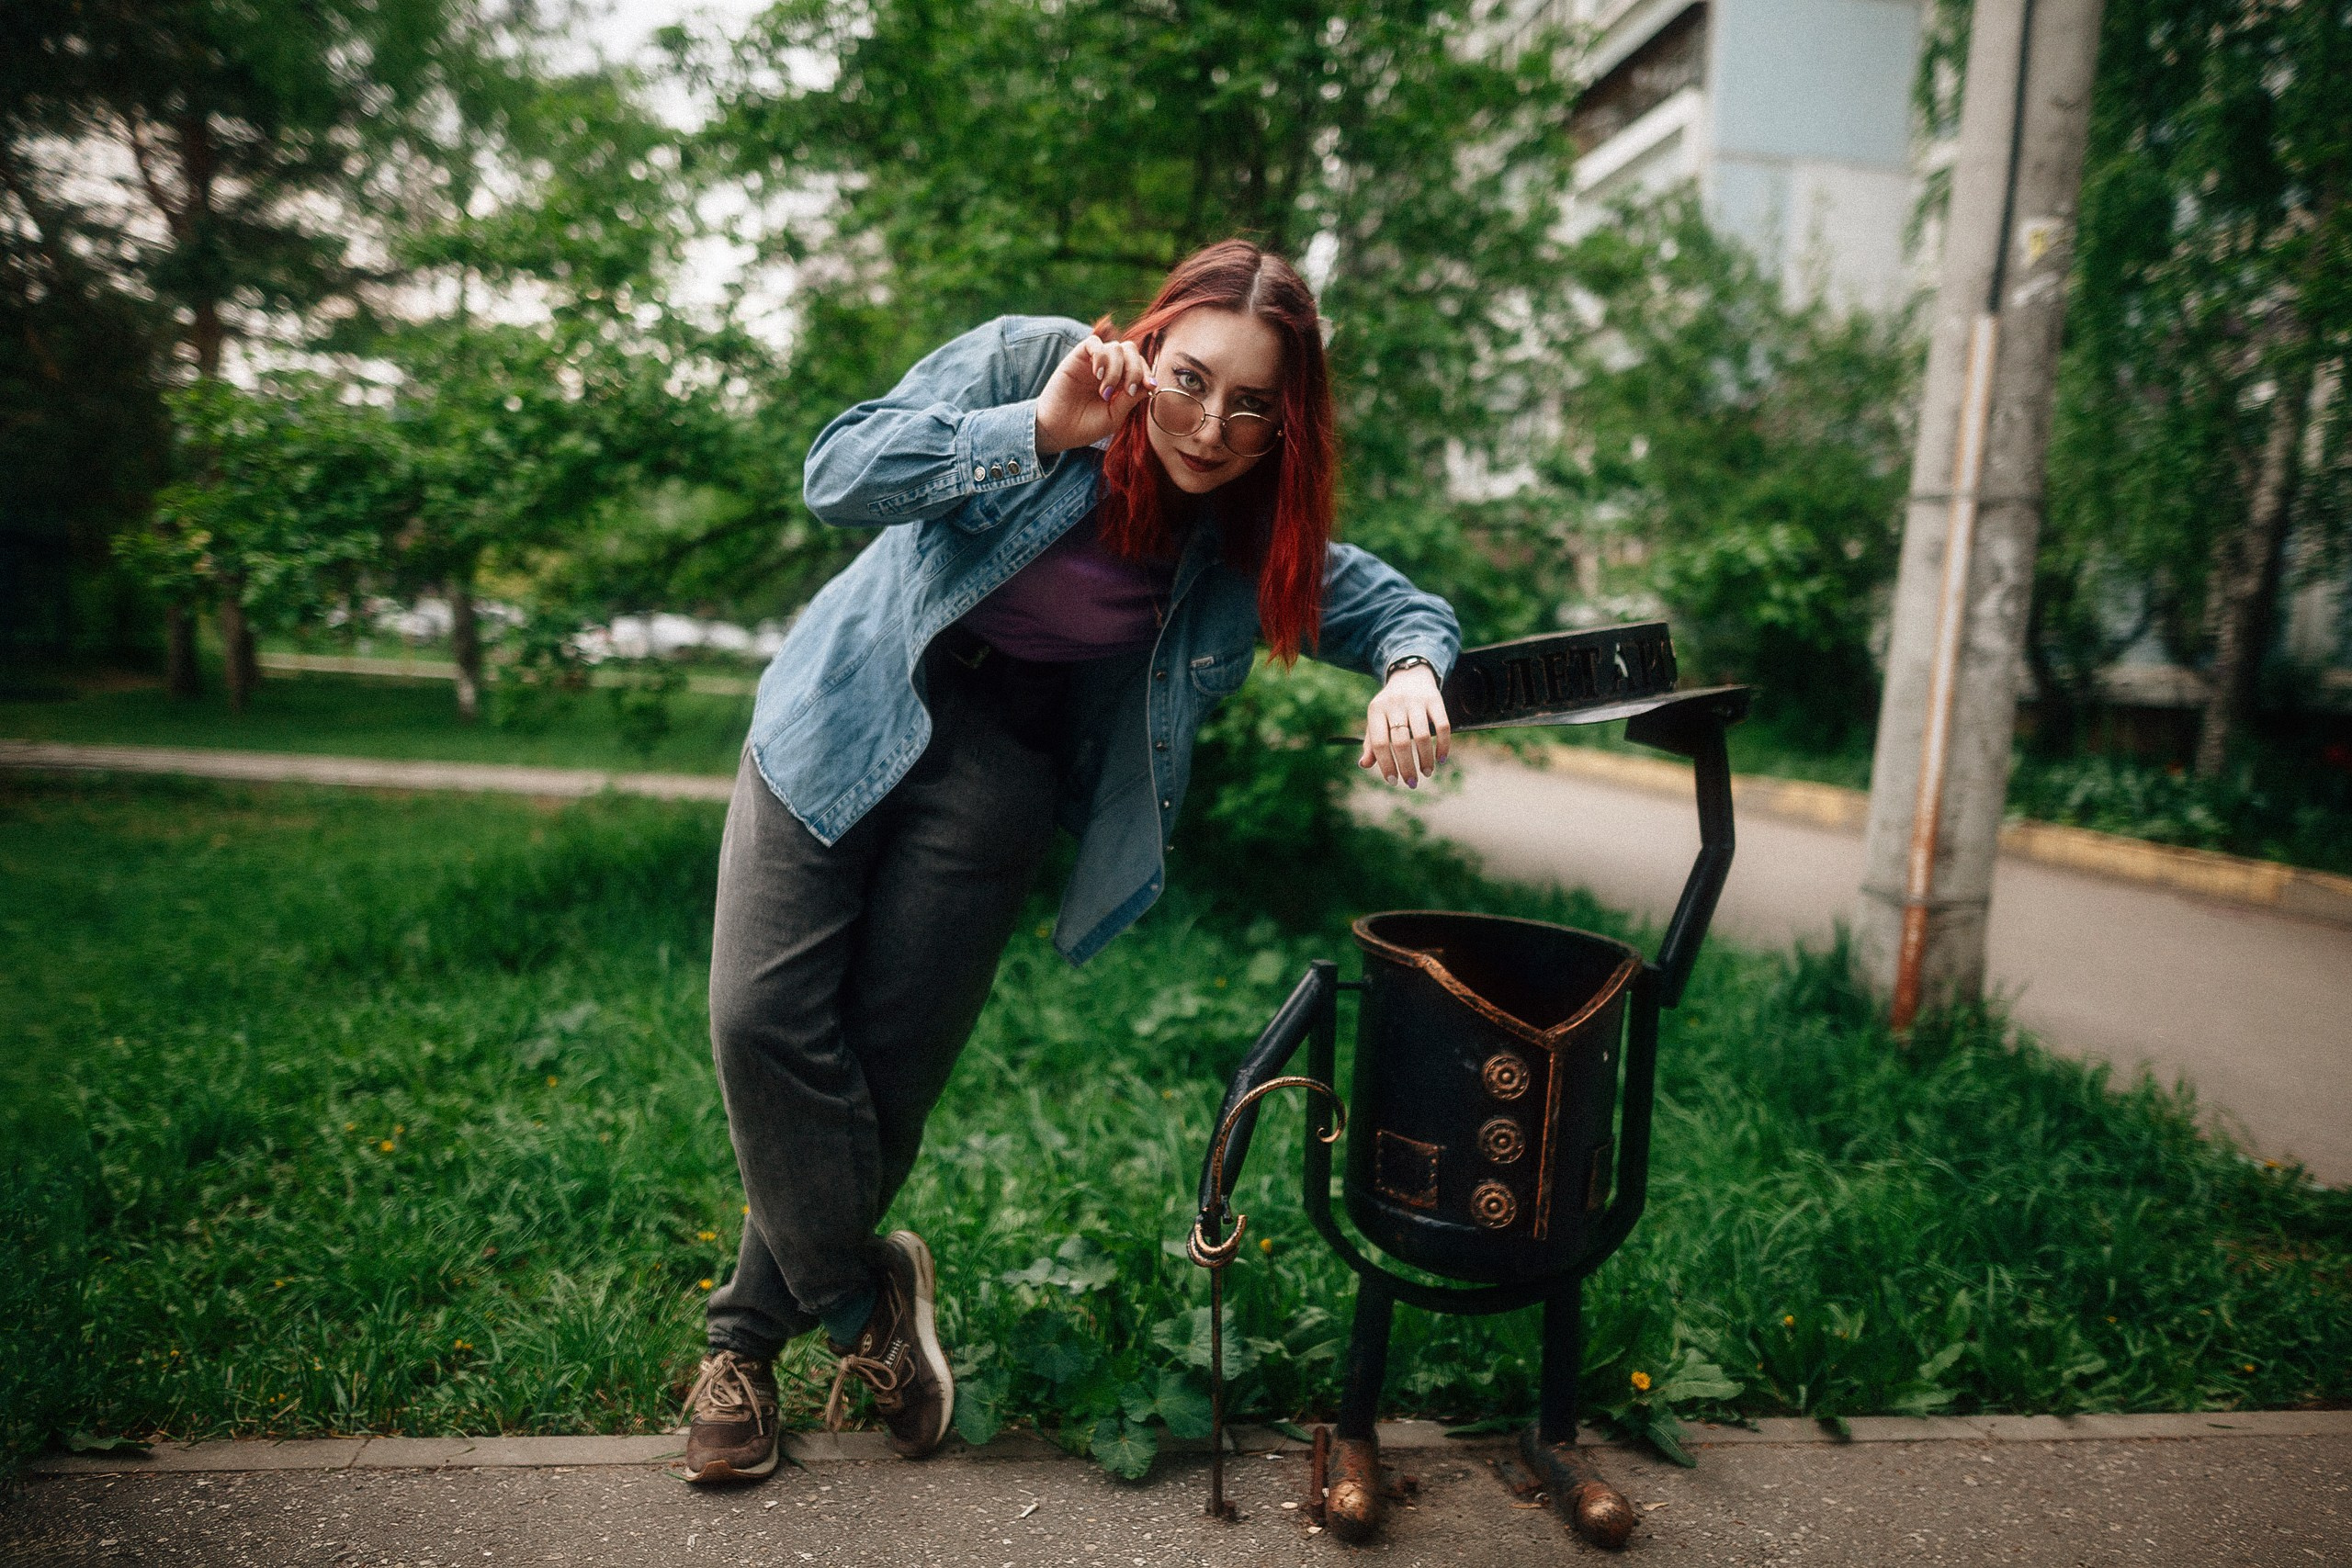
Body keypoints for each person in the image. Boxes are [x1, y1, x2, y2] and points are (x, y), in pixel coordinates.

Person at [680, 240, 1461, 1482]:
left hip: (997, 774)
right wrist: (1035, 431)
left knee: (883, 1082)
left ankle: (743, 1348)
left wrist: (1413, 670)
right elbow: (837, 472)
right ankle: (860, 1302)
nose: (1211, 423)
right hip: (845, 708)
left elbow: (1394, 610)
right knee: (759, 1018)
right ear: (1151, 345)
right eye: (1193, 378)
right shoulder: (1031, 363)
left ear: (1284, 426)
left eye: (1254, 404)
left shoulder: (1241, 531)